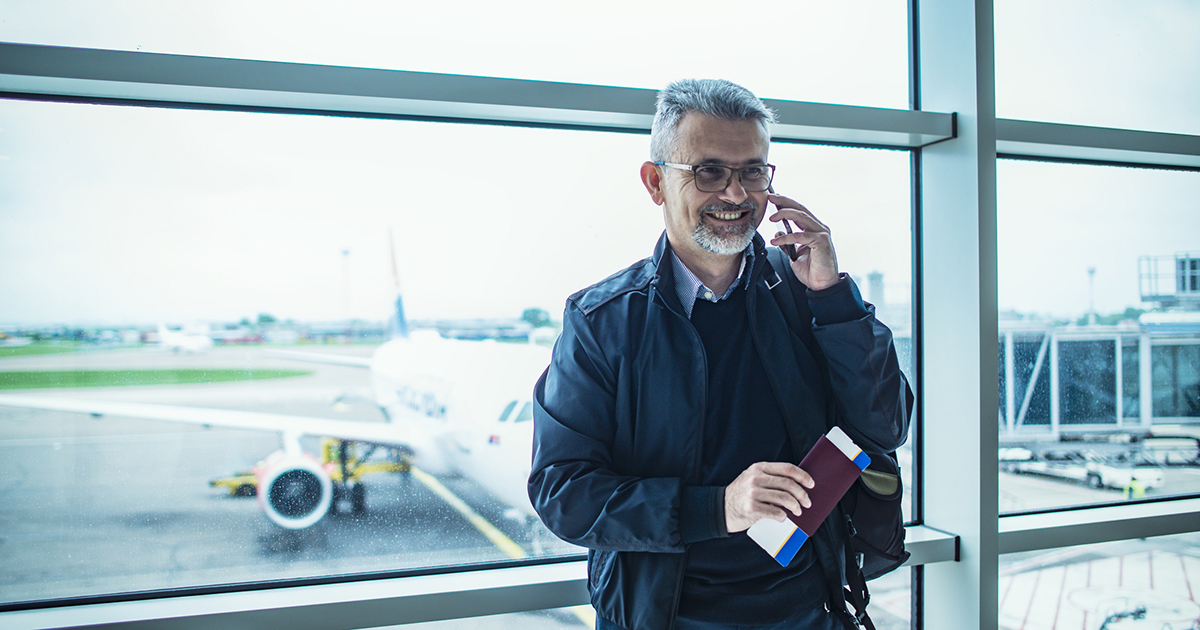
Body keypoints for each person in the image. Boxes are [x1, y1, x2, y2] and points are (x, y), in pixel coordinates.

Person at [528, 78, 913, 630]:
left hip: (810, 610)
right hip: (664, 618)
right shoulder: (602, 321)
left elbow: (886, 426)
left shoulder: (809, 293)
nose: (735, 194)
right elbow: (562, 492)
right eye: (709, 171)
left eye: (753, 171)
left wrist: (833, 299)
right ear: (655, 182)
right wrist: (719, 508)